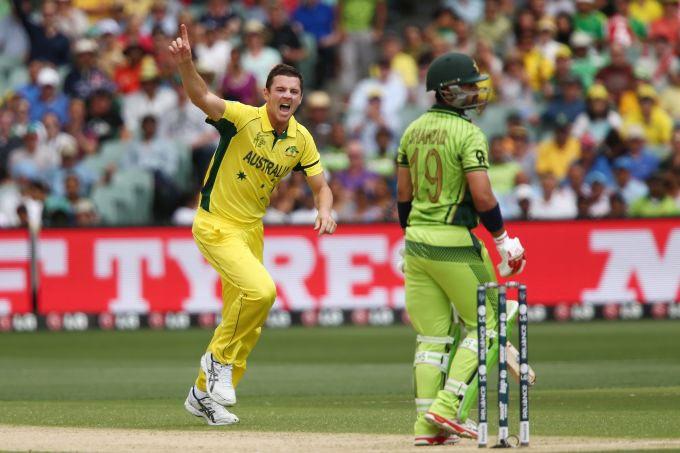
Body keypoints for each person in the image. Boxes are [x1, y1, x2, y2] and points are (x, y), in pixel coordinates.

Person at [168, 24, 336, 426]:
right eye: (280, 89)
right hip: (215, 223)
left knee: (246, 318)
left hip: (250, 230)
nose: (288, 96)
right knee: (261, 291)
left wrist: (324, 209)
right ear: (266, 93)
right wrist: (187, 64)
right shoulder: (243, 118)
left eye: (294, 92)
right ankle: (216, 362)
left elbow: (321, 185)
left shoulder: (301, 139)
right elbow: (202, 97)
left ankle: (201, 395)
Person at [396, 52, 527, 446]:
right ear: (447, 92)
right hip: (454, 240)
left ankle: (426, 427)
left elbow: (403, 195)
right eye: (467, 86)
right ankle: (449, 406)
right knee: (492, 320)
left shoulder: (411, 130)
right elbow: (483, 196)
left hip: (416, 241)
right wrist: (503, 240)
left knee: (432, 338)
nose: (474, 92)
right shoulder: (468, 134)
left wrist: (412, 235)